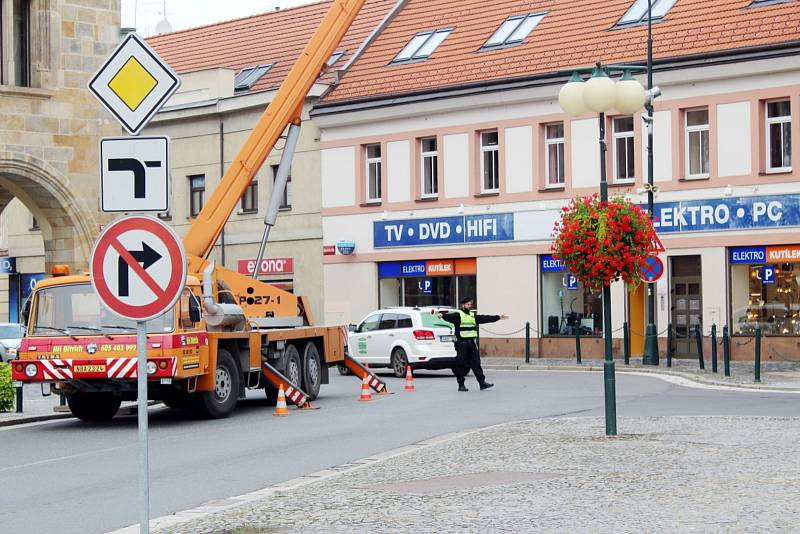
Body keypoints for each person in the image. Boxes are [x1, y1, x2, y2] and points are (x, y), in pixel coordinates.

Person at [439, 297, 508, 392]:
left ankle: (482, 383)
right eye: (468, 304)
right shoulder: (458, 315)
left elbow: (484, 318)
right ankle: (461, 384)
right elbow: (447, 316)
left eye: (470, 304)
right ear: (463, 305)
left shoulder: (472, 315)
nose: (469, 306)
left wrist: (498, 317)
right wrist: (441, 315)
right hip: (462, 344)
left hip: (471, 344)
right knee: (460, 364)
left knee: (476, 363)